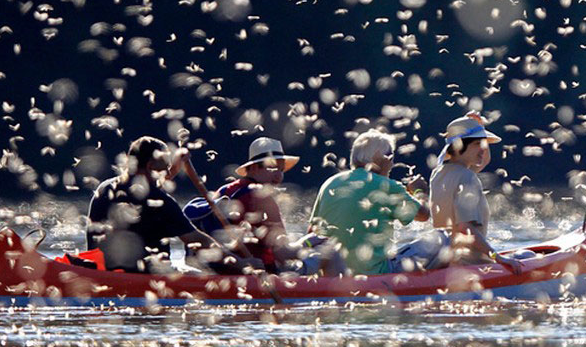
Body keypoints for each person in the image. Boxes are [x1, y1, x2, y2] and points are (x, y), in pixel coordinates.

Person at [186, 136, 347, 276]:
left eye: (282, 170)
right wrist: (308, 242)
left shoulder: (225, 191)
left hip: (223, 272)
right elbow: (283, 255)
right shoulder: (264, 199)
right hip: (263, 275)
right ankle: (340, 299)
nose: (279, 176)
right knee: (331, 250)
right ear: (255, 168)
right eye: (273, 168)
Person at [86, 136, 234, 273]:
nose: (167, 174)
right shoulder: (162, 202)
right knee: (202, 276)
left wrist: (176, 166)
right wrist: (241, 262)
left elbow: (145, 193)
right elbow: (199, 240)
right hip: (146, 278)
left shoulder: (106, 188)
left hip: (100, 271)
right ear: (150, 166)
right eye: (165, 169)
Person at [309, 129, 429, 274]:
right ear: (385, 158)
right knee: (441, 239)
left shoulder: (330, 183)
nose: (392, 163)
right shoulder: (386, 186)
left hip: (331, 272)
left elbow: (312, 233)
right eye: (391, 157)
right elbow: (423, 215)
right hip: (373, 273)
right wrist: (420, 192)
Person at [424, 113, 523, 273]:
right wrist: (498, 257)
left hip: (446, 261)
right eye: (477, 143)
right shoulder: (467, 177)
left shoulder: (438, 173)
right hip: (470, 263)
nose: (483, 149)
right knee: (526, 255)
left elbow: (483, 160)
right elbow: (465, 227)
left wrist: (479, 128)